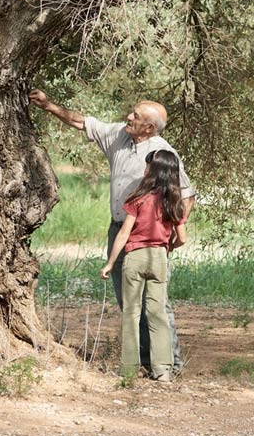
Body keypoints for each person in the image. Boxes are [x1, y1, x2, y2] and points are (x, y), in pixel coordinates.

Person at [28, 89, 195, 372]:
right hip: (119, 229)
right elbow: (83, 123)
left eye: (136, 116)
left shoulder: (163, 153)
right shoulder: (119, 135)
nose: (128, 117)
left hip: (149, 239)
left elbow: (187, 195)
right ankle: (144, 361)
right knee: (127, 300)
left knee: (156, 304)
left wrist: (168, 230)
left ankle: (171, 363)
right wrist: (48, 106)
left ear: (149, 127)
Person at [100, 150, 188, 381]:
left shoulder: (137, 199)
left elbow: (123, 234)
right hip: (159, 258)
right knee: (157, 313)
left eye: (147, 166)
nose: (144, 170)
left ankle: (129, 369)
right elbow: (182, 238)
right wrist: (166, 247)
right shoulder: (174, 202)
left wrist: (110, 263)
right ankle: (163, 370)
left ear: (153, 170)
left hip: (135, 257)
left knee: (131, 312)